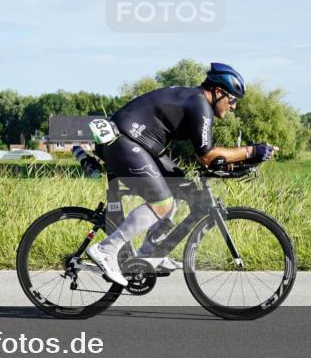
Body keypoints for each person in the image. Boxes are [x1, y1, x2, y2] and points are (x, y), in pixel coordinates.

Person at [85, 63, 278, 286]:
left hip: (138, 143)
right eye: (232, 99)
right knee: (162, 202)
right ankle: (106, 250)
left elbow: (204, 158)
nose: (234, 106)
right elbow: (207, 155)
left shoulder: (196, 101)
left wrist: (243, 160)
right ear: (218, 91)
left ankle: (149, 254)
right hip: (124, 141)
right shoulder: (200, 104)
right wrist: (250, 151)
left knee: (179, 185)